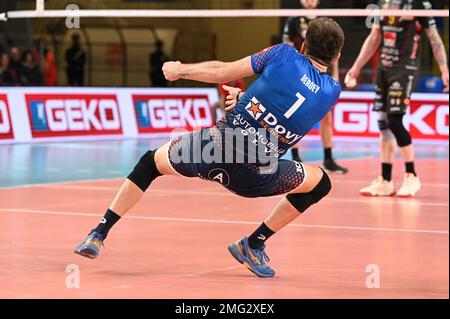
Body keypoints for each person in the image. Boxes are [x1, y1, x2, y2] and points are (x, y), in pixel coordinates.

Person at [74, 18, 345, 278]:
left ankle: (98, 233)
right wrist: (246, 99)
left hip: (209, 152)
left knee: (149, 163)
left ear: (303, 45)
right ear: (336, 57)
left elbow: (222, 72)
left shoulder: (284, 54)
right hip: (256, 178)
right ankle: (253, 243)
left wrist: (180, 70)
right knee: (321, 184)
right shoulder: (332, 91)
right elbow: (289, 107)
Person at [345, 0, 449, 197]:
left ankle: (412, 175)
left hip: (404, 69)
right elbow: (374, 37)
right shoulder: (381, 4)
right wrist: (357, 67)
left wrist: (444, 70)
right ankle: (385, 180)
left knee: (394, 120)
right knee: (383, 124)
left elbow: (434, 39)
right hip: (384, 70)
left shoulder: (420, 4)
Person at [282, 0, 348, 174]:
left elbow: (334, 54)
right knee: (294, 115)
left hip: (321, 73)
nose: (309, 1)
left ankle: (328, 158)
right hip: (300, 73)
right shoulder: (293, 20)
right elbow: (287, 47)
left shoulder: (325, 21)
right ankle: (295, 156)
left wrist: (334, 77)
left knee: (327, 116)